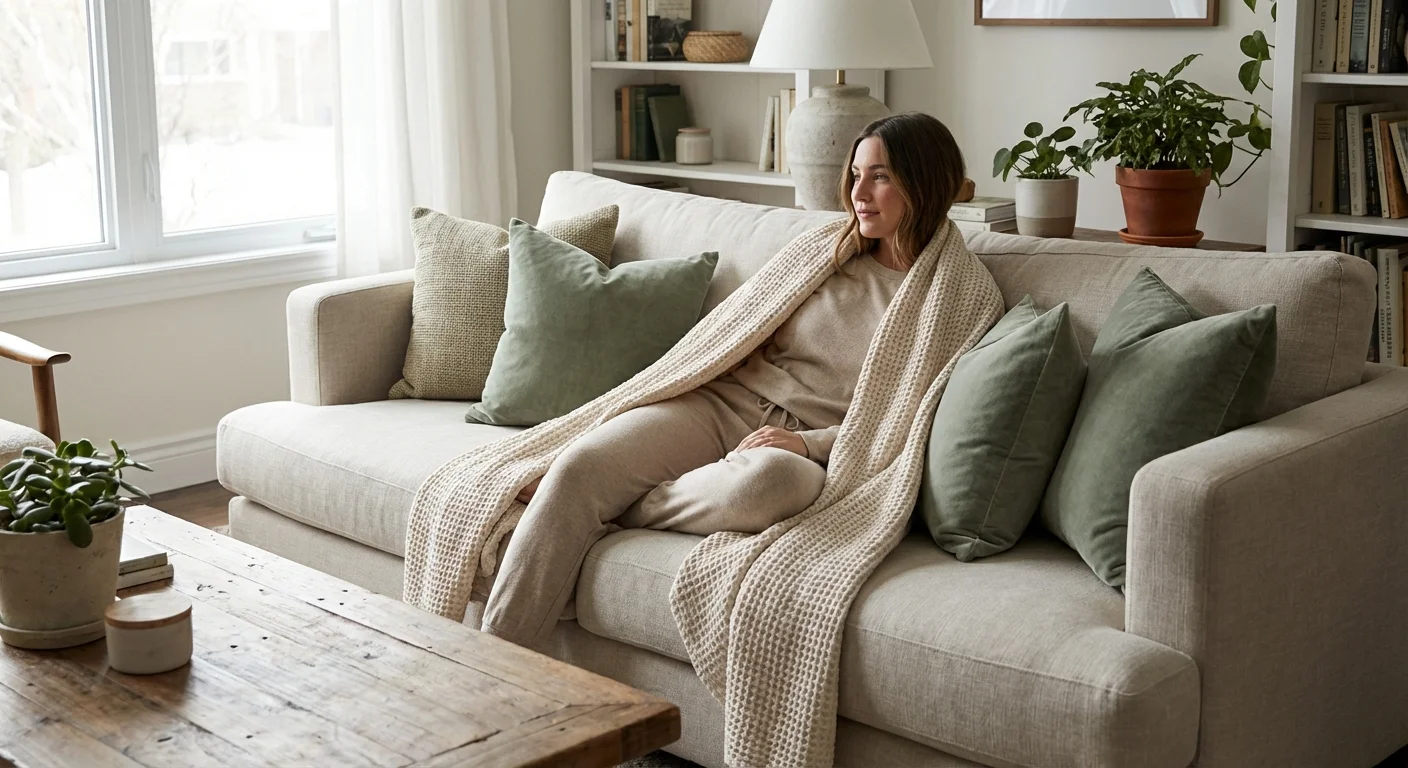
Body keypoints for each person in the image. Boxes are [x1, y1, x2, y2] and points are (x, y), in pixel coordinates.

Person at [484, 112, 976, 648]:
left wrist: (806, 443)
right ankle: (496, 660)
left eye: (879, 176)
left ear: (923, 180)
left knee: (767, 486)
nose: (859, 193)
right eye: (855, 175)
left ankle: (623, 504)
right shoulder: (825, 252)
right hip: (723, 406)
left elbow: (913, 423)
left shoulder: (957, 296)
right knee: (577, 469)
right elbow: (736, 331)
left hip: (806, 456)